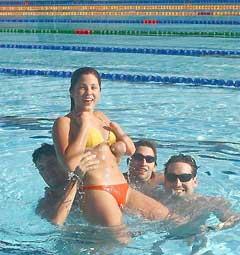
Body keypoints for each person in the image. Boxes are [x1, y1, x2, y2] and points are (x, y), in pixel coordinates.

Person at [52, 67, 178, 243]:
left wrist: (119, 145)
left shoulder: (102, 117)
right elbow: (69, 165)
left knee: (170, 218)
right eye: (82, 87)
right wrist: (84, 127)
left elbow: (130, 151)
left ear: (100, 92)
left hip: (123, 188)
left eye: (94, 88)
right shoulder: (64, 122)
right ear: (72, 92)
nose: (89, 93)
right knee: (121, 240)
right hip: (97, 190)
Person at [155, 153, 240, 232]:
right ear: (165, 180)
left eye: (184, 177)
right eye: (171, 177)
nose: (178, 183)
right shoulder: (154, 198)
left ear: (195, 182)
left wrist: (212, 228)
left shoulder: (210, 203)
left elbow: (234, 219)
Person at [32, 143, 99, 225]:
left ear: (64, 163)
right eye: (42, 169)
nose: (48, 171)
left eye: (52, 164)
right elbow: (56, 222)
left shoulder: (87, 185)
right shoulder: (45, 204)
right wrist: (76, 179)